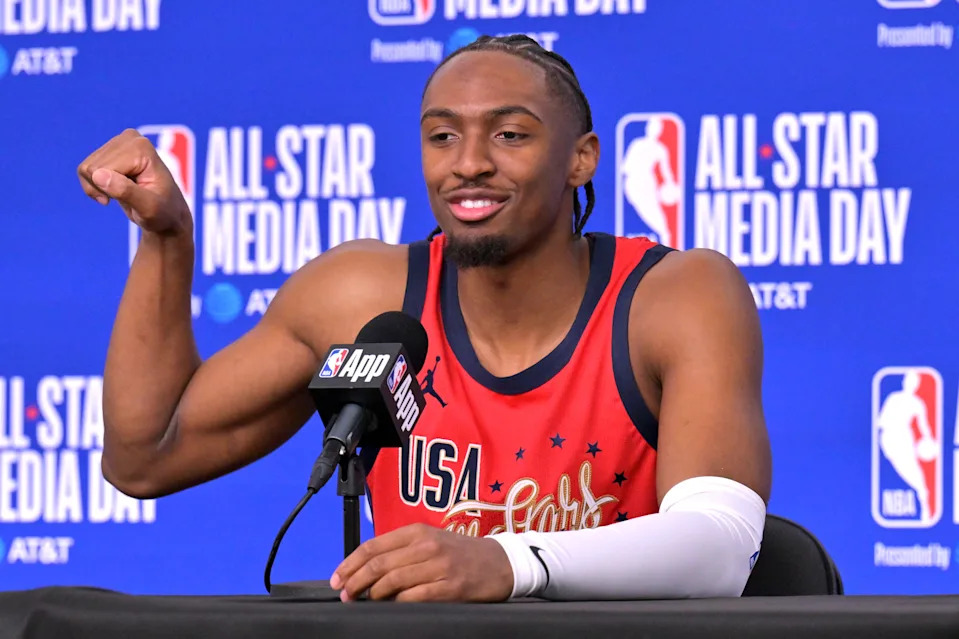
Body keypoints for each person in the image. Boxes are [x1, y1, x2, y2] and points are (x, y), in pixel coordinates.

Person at [76, 35, 771, 603]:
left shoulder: (674, 295)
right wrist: (166, 240)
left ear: (580, 160)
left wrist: (507, 563)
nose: (469, 164)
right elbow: (146, 458)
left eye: (509, 134)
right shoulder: (358, 294)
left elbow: (719, 542)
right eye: (441, 136)